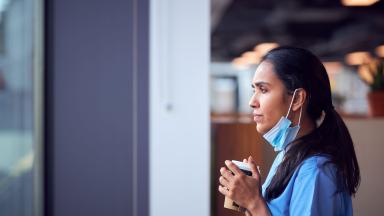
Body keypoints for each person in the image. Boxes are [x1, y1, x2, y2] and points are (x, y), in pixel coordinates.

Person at [218, 46, 360, 216]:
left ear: (297, 99)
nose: (252, 102)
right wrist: (248, 201)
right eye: (253, 90)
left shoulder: (315, 172)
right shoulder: (287, 155)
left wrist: (254, 202)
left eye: (263, 90)